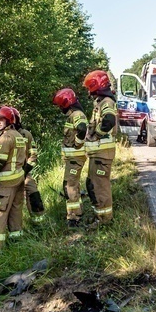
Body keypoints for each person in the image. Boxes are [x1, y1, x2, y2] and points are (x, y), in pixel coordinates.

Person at [0, 106, 27, 250]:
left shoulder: (5, 138)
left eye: (2, 119)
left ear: (9, 120)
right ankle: (17, 242)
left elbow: (0, 161)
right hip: (19, 179)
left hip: (6, 183)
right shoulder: (19, 136)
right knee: (15, 211)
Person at [83, 70, 119, 224]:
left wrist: (96, 134)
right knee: (93, 184)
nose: (89, 91)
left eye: (90, 87)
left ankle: (105, 220)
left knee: (100, 186)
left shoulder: (106, 103)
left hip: (103, 154)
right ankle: (99, 216)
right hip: (98, 154)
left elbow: (109, 120)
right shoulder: (101, 102)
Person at [51, 87, 89, 226]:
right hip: (73, 159)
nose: (60, 108)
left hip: (75, 159)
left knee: (69, 186)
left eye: (61, 105)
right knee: (72, 185)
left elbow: (82, 128)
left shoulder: (77, 114)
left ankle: (74, 218)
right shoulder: (73, 115)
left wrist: (78, 143)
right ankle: (77, 212)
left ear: (66, 103)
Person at [9, 107, 46, 224]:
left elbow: (33, 154)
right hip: (8, 174)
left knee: (33, 194)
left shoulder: (26, 135)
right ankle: (13, 229)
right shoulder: (3, 138)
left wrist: (25, 170)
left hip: (24, 171)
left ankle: (39, 222)